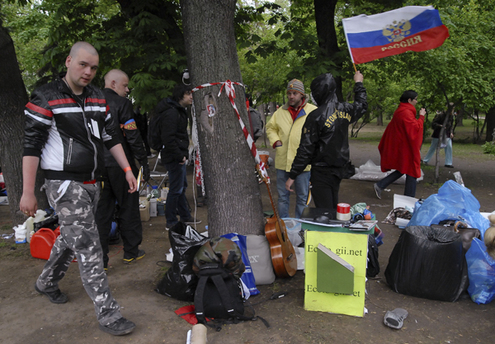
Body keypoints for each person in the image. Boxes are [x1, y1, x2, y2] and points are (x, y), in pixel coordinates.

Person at [20, 42, 137, 336]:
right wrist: (27, 191)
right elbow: (31, 147)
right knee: (89, 245)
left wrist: (127, 170)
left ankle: (46, 282)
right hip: (62, 183)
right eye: (83, 65)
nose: (88, 72)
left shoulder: (98, 97)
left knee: (73, 237)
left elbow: (111, 137)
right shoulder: (46, 97)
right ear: (69, 61)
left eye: (94, 67)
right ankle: (109, 314)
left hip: (92, 182)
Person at [285, 71, 367, 213]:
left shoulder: (316, 116)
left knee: (325, 210)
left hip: (322, 171)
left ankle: (330, 232)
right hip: (338, 169)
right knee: (331, 205)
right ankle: (333, 228)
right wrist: (358, 83)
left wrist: (293, 175)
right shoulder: (345, 109)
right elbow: (361, 105)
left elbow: (306, 149)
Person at [95, 69, 150, 269]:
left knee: (102, 212)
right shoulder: (122, 104)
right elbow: (133, 135)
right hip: (122, 165)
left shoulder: (90, 102)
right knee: (128, 206)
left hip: (98, 165)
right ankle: (131, 251)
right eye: (125, 86)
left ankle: (101, 261)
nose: (127, 90)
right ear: (113, 83)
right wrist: (142, 161)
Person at [266, 79, 317, 218]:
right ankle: (284, 227)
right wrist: (276, 141)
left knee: (302, 198)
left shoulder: (313, 111)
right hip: (283, 162)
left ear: (302, 95)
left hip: (303, 164)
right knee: (283, 197)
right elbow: (270, 128)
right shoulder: (280, 112)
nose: (291, 96)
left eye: (294, 93)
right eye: (289, 93)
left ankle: (300, 228)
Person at [154, 83, 200, 229]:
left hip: (178, 155)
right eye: (188, 94)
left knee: (181, 186)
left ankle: (185, 215)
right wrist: (179, 156)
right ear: (181, 96)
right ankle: (171, 220)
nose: (191, 97)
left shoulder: (179, 111)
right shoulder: (172, 113)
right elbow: (169, 138)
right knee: (176, 189)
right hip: (173, 157)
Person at [374, 90, 426, 199]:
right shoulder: (405, 112)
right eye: (415, 99)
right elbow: (414, 130)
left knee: (405, 168)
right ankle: (409, 199)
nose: (416, 102)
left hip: (404, 146)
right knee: (410, 169)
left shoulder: (402, 110)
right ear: (409, 100)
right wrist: (421, 117)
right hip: (406, 147)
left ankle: (380, 185)